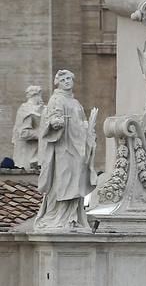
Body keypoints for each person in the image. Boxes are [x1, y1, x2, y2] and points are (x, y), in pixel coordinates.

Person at [34, 69, 97, 232]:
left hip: (78, 147)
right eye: (64, 79)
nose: (68, 82)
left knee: (76, 179)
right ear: (58, 83)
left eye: (70, 79)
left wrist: (87, 128)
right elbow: (49, 120)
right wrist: (54, 123)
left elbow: (81, 121)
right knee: (63, 180)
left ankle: (72, 216)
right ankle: (57, 216)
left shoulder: (76, 103)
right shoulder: (56, 100)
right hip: (63, 147)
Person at [10, 84, 44, 171]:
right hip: (27, 158)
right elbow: (24, 133)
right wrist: (43, 133)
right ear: (35, 95)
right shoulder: (25, 109)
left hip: (36, 156)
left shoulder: (40, 108)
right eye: (40, 95)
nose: (41, 97)